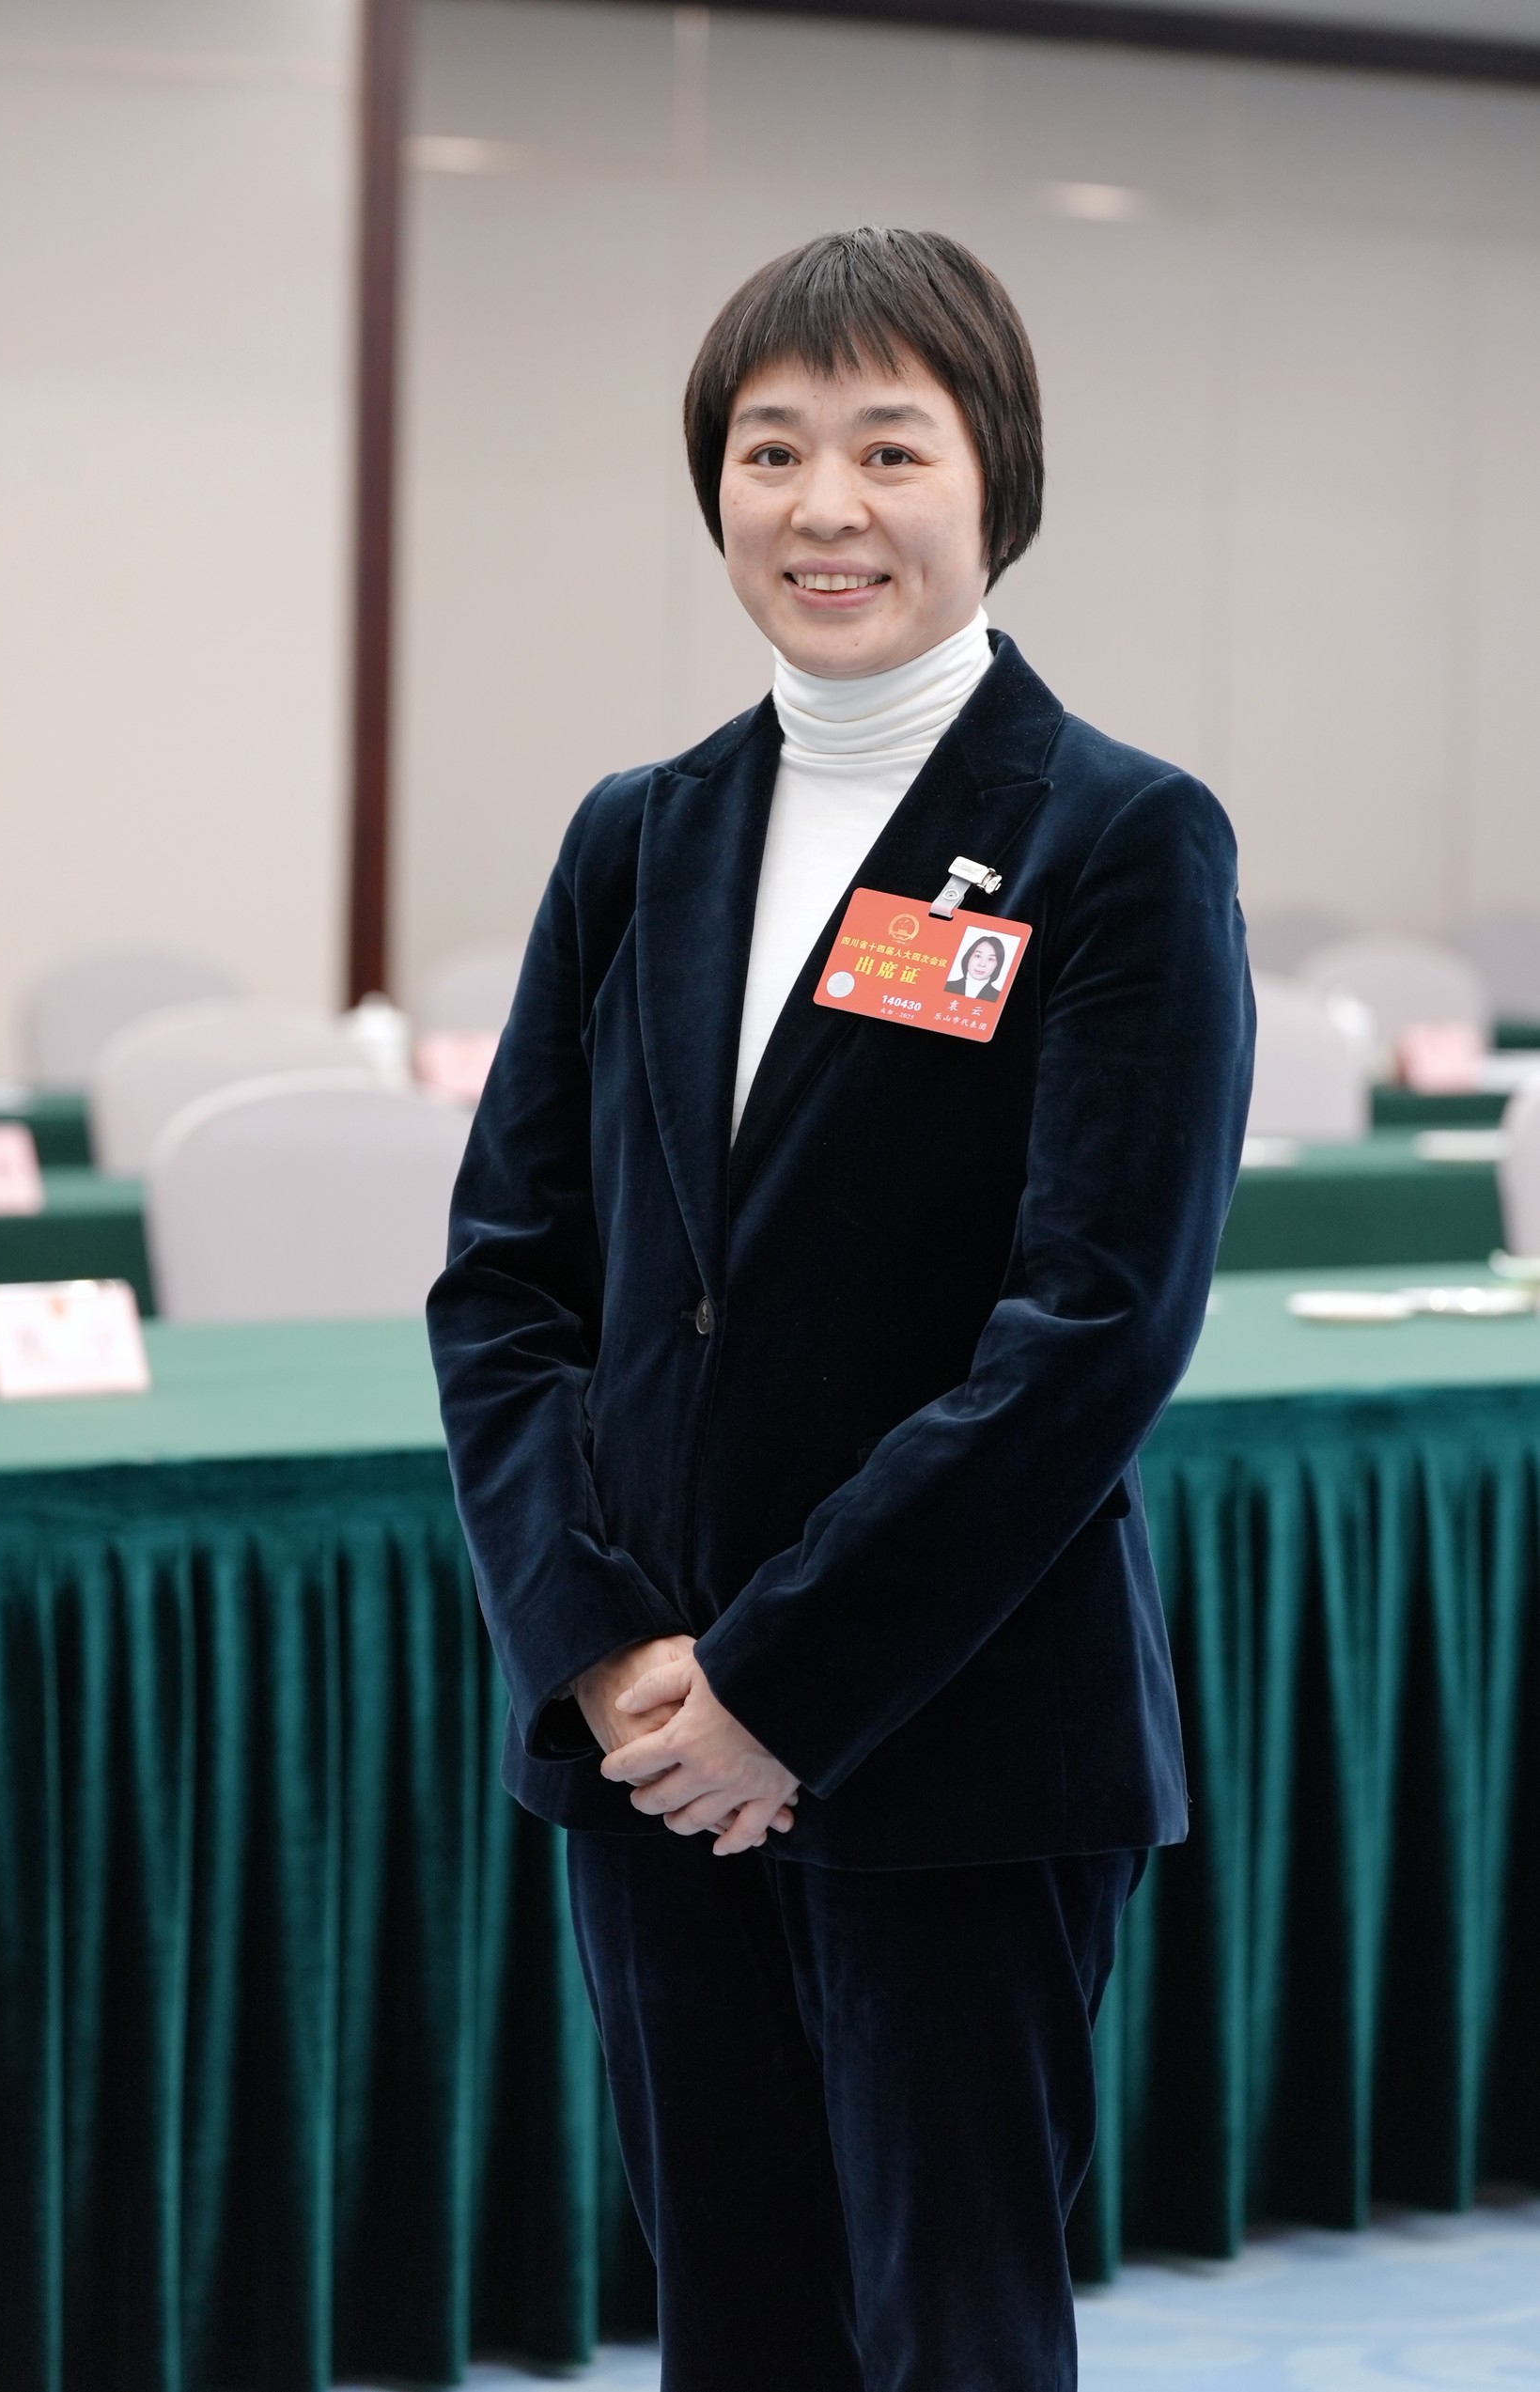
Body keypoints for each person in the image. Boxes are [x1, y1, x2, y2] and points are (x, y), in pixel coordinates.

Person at [428, 227, 1253, 2391]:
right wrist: (607, 1655)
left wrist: (779, 1686)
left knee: (945, 2336)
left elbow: (1090, 1327)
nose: (823, 506)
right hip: (651, 1753)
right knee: (735, 2327)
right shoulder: (636, 836)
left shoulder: (1114, 838)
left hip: (953, 1745)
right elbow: (508, 1280)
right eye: (770, 449)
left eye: (888, 448)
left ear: (995, 479)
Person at [946, 927, 1010, 1001]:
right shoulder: (946, 986)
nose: (982, 964)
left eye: (990, 959)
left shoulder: (1000, 998)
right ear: (968, 957)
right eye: (978, 956)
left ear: (998, 965)